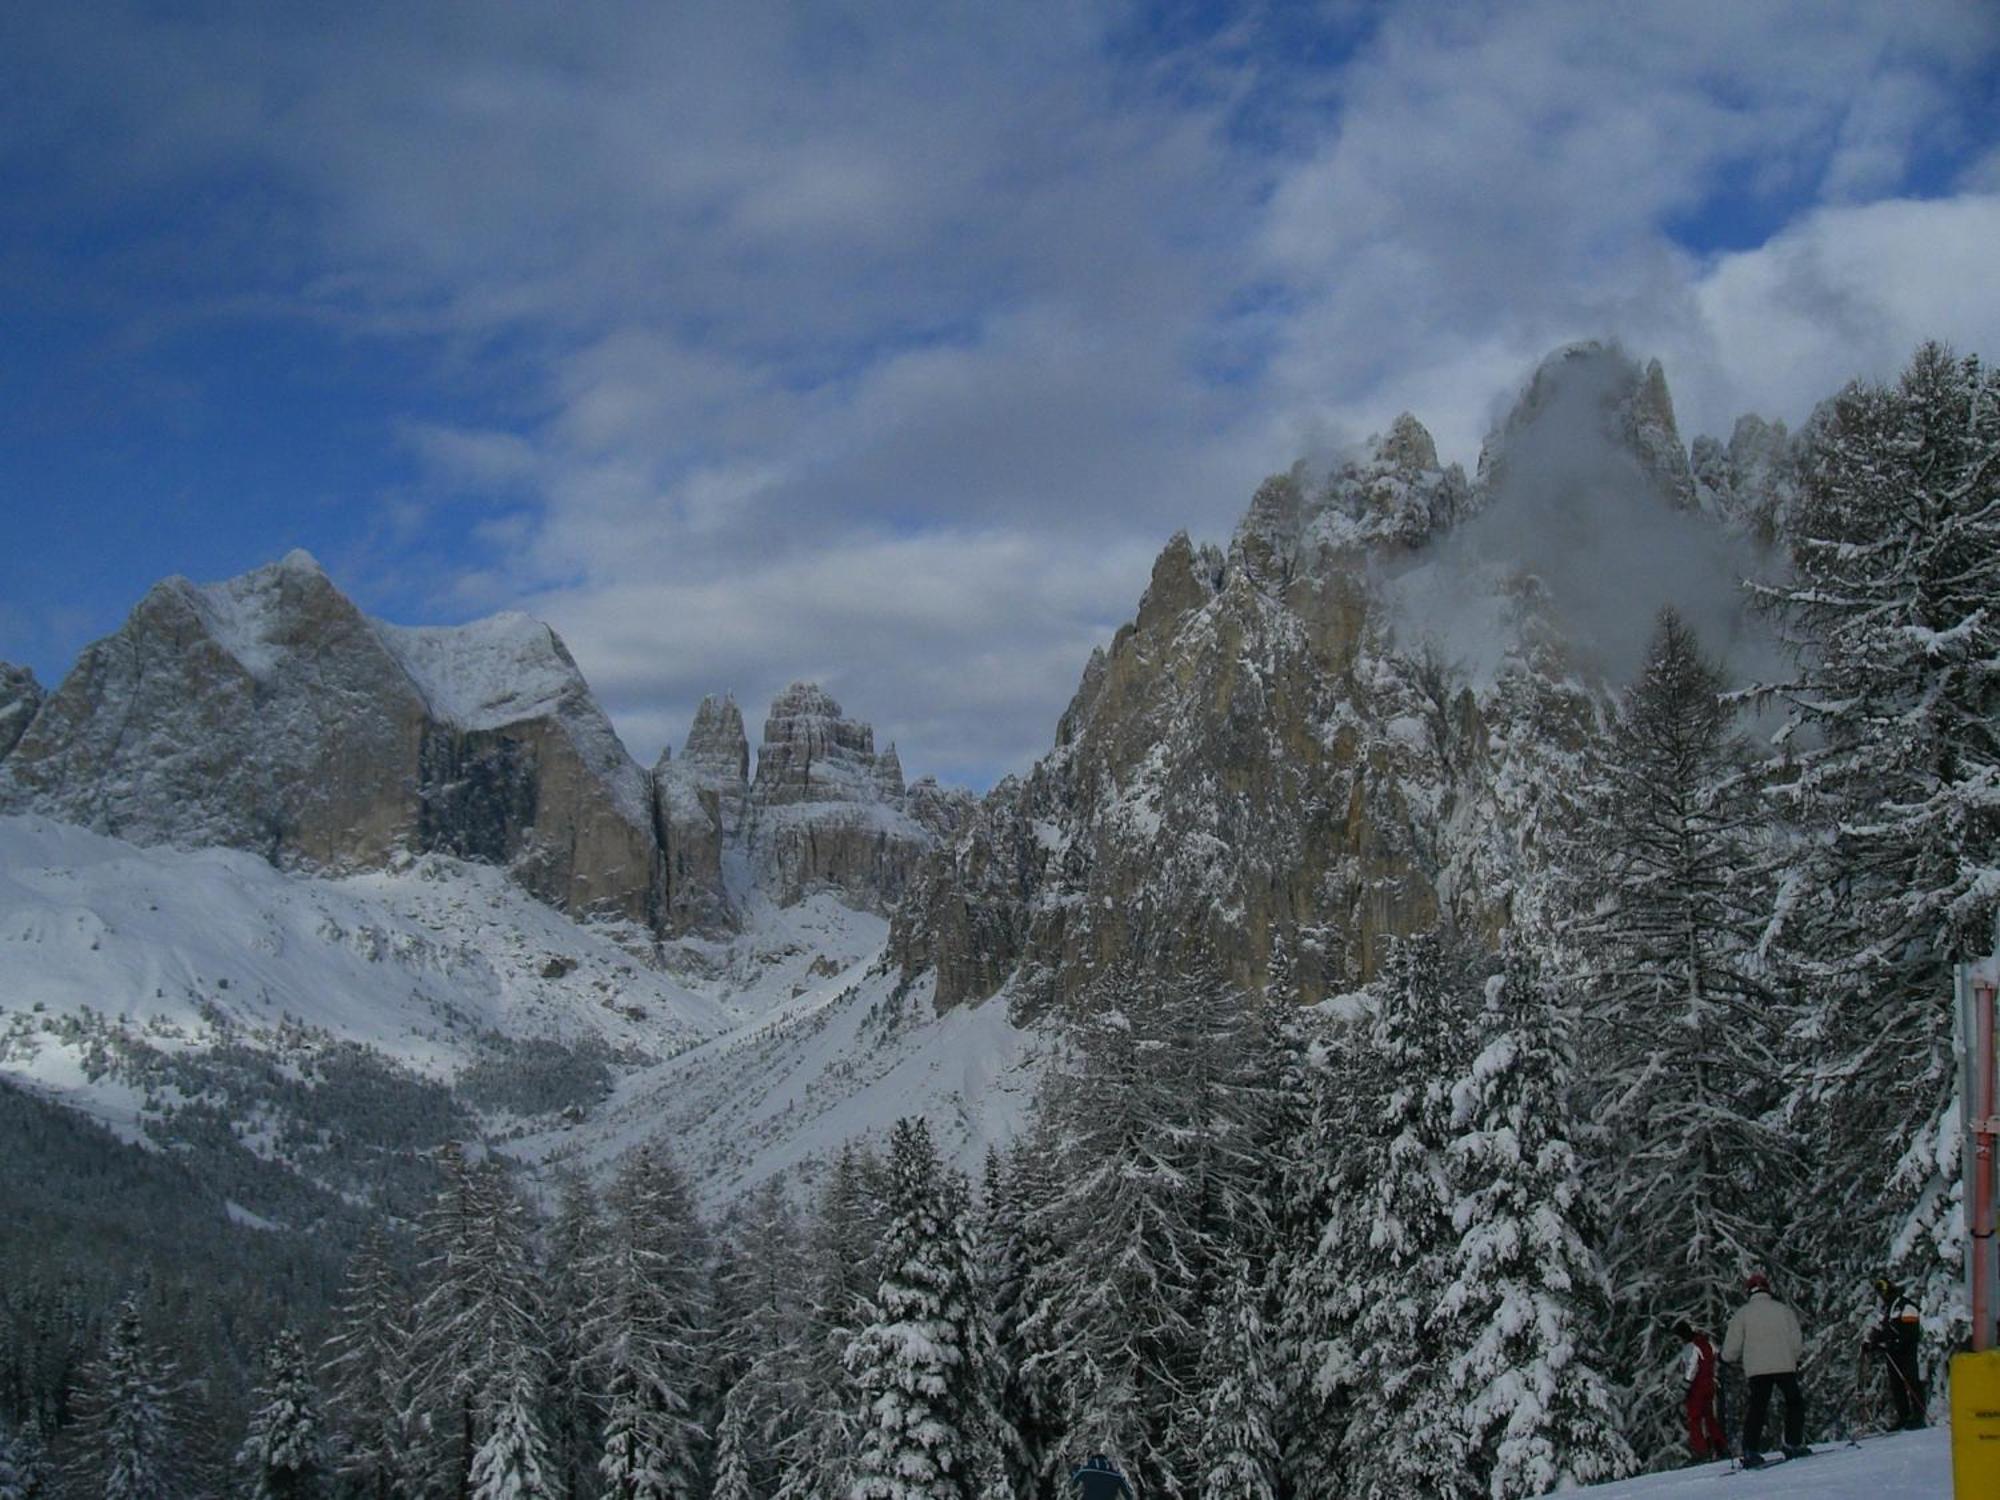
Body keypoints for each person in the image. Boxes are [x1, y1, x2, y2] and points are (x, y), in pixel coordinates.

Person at [1721, 1272, 1807, 1467]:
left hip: (1757, 1370)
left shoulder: (1743, 1313)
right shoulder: (1783, 1310)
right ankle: (1793, 1443)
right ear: (1767, 1289)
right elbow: (1796, 1340)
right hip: (1784, 1365)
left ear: (1749, 1292)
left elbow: (1732, 1347)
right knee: (1794, 1403)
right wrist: (1795, 1358)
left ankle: (1750, 1450)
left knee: (1757, 1409)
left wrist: (1725, 1358)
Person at [1864, 1277, 1926, 1430]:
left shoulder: (1905, 1306)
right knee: (1896, 1385)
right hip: (1893, 1353)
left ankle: (1918, 1416)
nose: (1883, 1297)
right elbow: (1886, 1331)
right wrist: (1872, 1344)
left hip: (1906, 1352)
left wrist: (1896, 1343)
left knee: (1911, 1381)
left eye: (1884, 1293)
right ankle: (1903, 1416)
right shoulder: (1889, 1309)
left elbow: (1911, 1332)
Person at [1673, 1319, 1728, 1461]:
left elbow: (1692, 1369)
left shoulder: (1691, 1347)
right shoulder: (1705, 1343)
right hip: (1709, 1384)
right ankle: (1720, 1446)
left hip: (1697, 1388)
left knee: (1694, 1419)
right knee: (1710, 1418)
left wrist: (1684, 1387)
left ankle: (1701, 1451)